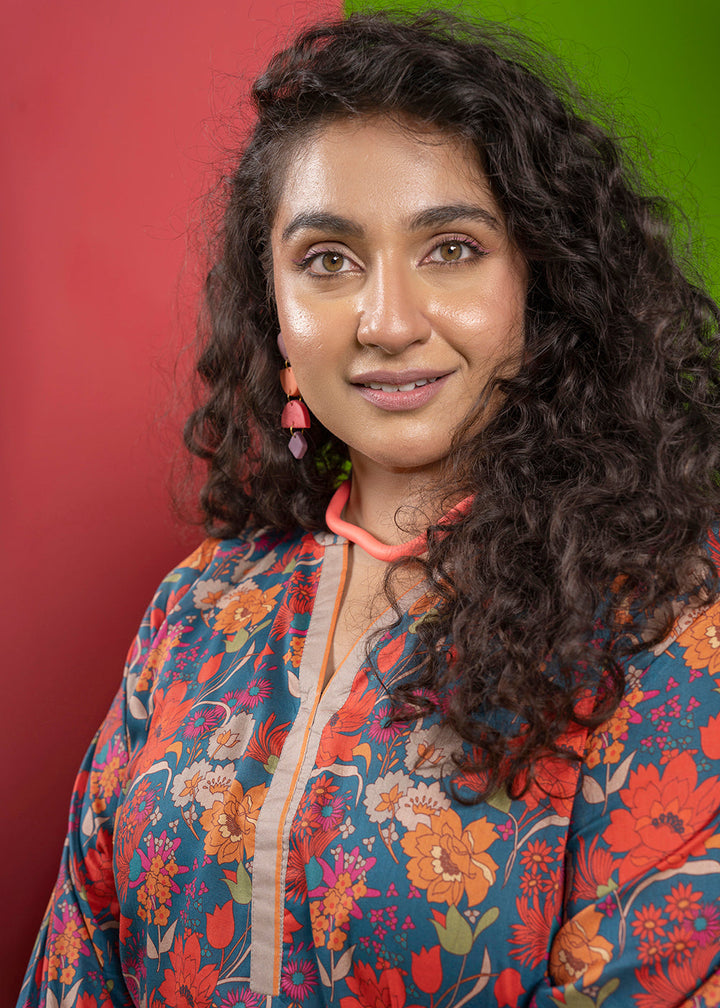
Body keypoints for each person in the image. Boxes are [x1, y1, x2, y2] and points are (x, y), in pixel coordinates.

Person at [16, 10, 720, 1007]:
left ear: (541, 285)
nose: (387, 322)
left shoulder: (661, 619)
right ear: (275, 311)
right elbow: (78, 960)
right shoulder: (199, 610)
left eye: (452, 248)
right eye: (328, 260)